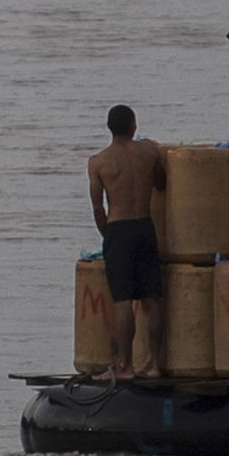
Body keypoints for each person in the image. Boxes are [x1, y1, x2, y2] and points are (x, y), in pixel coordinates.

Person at [86, 104, 168, 380]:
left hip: (118, 229)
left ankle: (125, 366)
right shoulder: (150, 151)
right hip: (145, 226)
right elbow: (161, 182)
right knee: (152, 297)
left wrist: (107, 234)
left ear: (109, 128)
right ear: (133, 125)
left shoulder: (98, 162)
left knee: (123, 299)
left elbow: (98, 207)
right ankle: (154, 364)